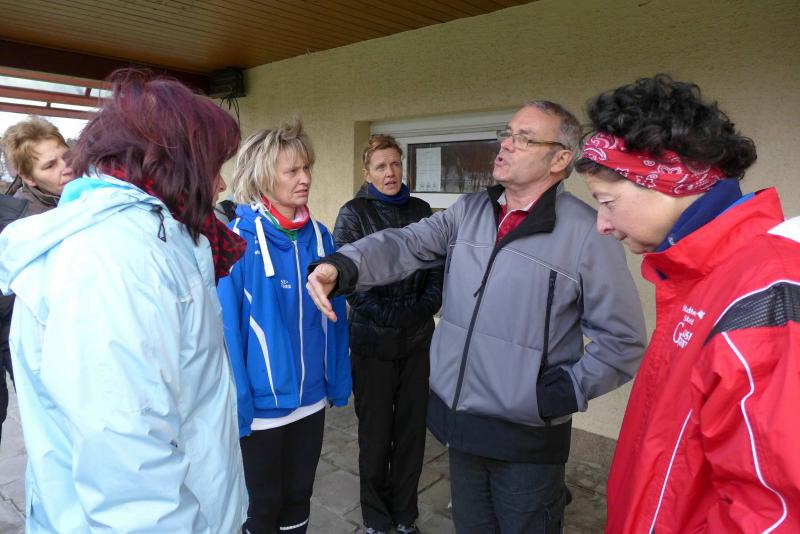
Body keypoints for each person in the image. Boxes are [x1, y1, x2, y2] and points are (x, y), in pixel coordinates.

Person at [307, 101, 647, 533]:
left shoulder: (586, 233)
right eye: (507, 134)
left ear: (560, 159)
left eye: (524, 138)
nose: (505, 144)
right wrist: (343, 265)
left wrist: (557, 395)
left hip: (526, 440)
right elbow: (405, 243)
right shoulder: (469, 212)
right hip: (462, 428)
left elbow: (623, 341)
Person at [0, 69, 248, 532]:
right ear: (172, 163)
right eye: (212, 164)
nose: (221, 184)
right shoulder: (112, 260)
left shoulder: (161, 235)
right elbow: (130, 474)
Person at [575, 74, 800, 533]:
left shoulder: (765, 296)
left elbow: (772, 513)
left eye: (607, 201)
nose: (602, 224)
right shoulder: (698, 275)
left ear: (669, 182)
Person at [217, 120, 351, 534]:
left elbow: (336, 320)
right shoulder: (236, 240)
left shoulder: (321, 237)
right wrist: (241, 404)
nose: (305, 178)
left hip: (311, 399)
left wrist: (337, 381)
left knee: (298, 499)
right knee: (263, 507)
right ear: (263, 176)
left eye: (306, 168)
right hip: (261, 408)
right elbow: (229, 333)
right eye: (292, 171)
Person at [333, 134, 442, 534]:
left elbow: (437, 271)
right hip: (372, 343)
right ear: (367, 173)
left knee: (411, 435)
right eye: (381, 166)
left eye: (395, 164)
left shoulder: (421, 211)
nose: (390, 172)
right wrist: (392, 316)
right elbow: (348, 281)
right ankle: (377, 518)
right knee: (376, 436)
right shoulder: (353, 213)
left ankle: (405, 516)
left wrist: (418, 311)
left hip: (416, 342)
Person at [0, 117, 73, 444]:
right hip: (29, 331)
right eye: (50, 166)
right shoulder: (23, 223)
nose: (66, 169)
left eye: (66, 156)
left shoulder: (87, 198)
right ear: (28, 177)